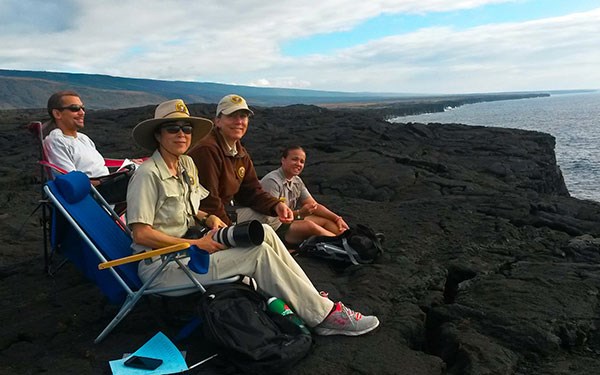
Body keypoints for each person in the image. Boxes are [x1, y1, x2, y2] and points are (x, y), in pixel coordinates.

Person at [127, 98, 380, 336]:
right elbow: (141, 233)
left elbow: (191, 208)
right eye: (173, 129)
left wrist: (207, 219)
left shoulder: (185, 165)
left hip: (190, 252)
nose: (181, 134)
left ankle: (314, 300)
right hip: (163, 267)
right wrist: (198, 244)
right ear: (158, 135)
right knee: (256, 254)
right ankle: (323, 318)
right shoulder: (148, 175)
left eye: (186, 128)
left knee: (267, 232)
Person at [187, 94, 293, 227]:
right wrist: (230, 232)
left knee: (274, 216)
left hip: (223, 211)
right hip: (201, 217)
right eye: (231, 116)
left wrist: (276, 205)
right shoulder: (207, 150)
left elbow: (251, 191)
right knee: (262, 227)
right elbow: (209, 201)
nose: (239, 122)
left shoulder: (239, 151)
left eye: (243, 116)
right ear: (217, 121)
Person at [42, 90, 140, 203]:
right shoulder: (55, 141)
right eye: (75, 108)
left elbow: (95, 165)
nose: (82, 112)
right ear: (57, 114)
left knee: (146, 167)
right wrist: (110, 179)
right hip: (93, 195)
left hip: (105, 187)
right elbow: (71, 182)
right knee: (145, 176)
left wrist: (127, 164)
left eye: (83, 108)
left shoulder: (83, 138)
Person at [261, 146, 350, 245]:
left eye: (302, 161)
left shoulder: (297, 181)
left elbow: (314, 205)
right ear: (283, 160)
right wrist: (299, 213)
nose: (298, 164)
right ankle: (345, 245)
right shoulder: (272, 181)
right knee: (310, 226)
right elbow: (270, 218)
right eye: (294, 159)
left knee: (326, 221)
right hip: (273, 228)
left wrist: (337, 218)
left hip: (289, 221)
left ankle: (350, 238)